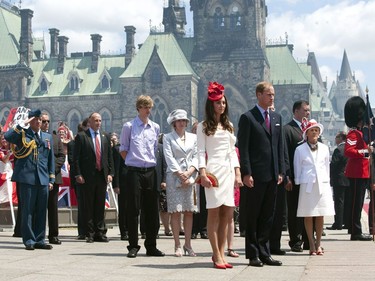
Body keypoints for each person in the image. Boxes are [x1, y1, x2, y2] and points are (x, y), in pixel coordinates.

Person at [237, 81, 284, 267]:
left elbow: (279, 147)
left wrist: (281, 170)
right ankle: (253, 253)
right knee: (253, 215)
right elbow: (244, 147)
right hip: (255, 176)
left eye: (273, 94)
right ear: (258, 95)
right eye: (268, 94)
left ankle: (265, 252)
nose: (272, 97)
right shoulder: (248, 117)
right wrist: (246, 173)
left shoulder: (276, 117)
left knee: (268, 216)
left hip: (273, 175)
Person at [196, 82, 242, 269]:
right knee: (214, 212)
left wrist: (238, 173)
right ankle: (216, 254)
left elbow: (232, 152)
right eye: (218, 103)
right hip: (213, 171)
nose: (221, 105)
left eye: (223, 102)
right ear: (210, 105)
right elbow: (199, 152)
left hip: (228, 171)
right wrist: (202, 173)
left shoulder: (229, 125)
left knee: (227, 213)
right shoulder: (203, 126)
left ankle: (222, 253)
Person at [119, 95, 165, 258]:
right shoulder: (129, 126)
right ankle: (133, 245)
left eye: (150, 107)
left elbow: (154, 149)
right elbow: (123, 149)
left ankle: (151, 246)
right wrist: (134, 162)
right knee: (133, 209)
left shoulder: (155, 127)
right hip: (134, 171)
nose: (148, 110)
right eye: (145, 107)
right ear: (139, 108)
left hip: (151, 171)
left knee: (152, 210)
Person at [5, 109, 55, 250]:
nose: (38, 122)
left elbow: (50, 159)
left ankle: (40, 239)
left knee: (41, 210)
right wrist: (22, 124)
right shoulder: (22, 134)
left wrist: (51, 179)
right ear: (30, 121)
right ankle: (29, 240)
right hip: (27, 178)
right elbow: (8, 136)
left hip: (43, 179)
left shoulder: (47, 137)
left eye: (40, 119)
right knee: (27, 210)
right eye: (35, 119)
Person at [293, 119, 335, 255]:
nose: (315, 132)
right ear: (307, 134)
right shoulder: (299, 149)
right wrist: (298, 181)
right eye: (312, 130)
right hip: (307, 185)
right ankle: (310, 243)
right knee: (308, 215)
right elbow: (297, 166)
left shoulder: (324, 148)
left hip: (321, 184)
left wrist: (327, 181)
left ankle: (318, 244)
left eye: (316, 130)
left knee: (320, 215)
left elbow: (327, 166)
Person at [73, 112, 114, 243]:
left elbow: (109, 157)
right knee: (88, 205)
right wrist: (78, 174)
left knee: (100, 205)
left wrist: (110, 173)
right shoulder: (81, 137)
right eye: (95, 120)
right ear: (89, 122)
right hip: (87, 176)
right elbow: (76, 158)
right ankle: (89, 233)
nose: (98, 123)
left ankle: (100, 232)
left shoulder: (105, 136)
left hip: (101, 175)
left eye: (100, 120)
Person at [163, 109, 198, 257]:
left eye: (184, 121)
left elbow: (196, 155)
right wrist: (179, 173)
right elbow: (168, 156)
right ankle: (177, 244)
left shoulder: (193, 137)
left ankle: (188, 244)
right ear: (174, 123)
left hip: (190, 176)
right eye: (179, 121)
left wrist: (189, 172)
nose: (182, 123)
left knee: (189, 211)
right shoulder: (168, 137)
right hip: (174, 176)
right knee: (176, 211)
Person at [343, 96, 372, 241]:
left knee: (359, 202)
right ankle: (355, 231)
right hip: (356, 172)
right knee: (356, 203)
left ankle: (356, 229)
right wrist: (366, 152)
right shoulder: (353, 133)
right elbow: (348, 151)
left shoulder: (362, 133)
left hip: (363, 172)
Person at [283, 100, 310, 252]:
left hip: (308, 178)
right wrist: (287, 176)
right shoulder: (288, 129)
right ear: (296, 111)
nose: (307, 113)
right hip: (294, 177)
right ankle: (295, 240)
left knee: (307, 209)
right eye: (305, 110)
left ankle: (308, 239)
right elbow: (285, 154)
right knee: (294, 209)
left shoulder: (310, 129)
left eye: (308, 110)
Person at [40, 112, 65, 245]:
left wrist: (52, 169)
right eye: (44, 121)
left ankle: (53, 235)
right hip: (39, 178)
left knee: (53, 207)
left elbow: (61, 156)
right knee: (39, 207)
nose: (46, 124)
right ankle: (39, 234)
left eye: (48, 121)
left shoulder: (55, 138)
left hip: (53, 177)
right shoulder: (36, 137)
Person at [67, 120, 88, 239]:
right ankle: (82, 231)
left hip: (89, 178)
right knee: (81, 205)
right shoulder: (72, 144)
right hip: (78, 178)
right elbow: (72, 160)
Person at [327, 131, 350, 230]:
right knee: (347, 202)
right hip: (348, 178)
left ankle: (338, 223)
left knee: (338, 202)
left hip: (339, 178)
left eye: (337, 137)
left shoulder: (338, 150)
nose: (335, 139)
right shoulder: (349, 148)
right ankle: (346, 221)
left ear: (341, 138)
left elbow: (333, 165)